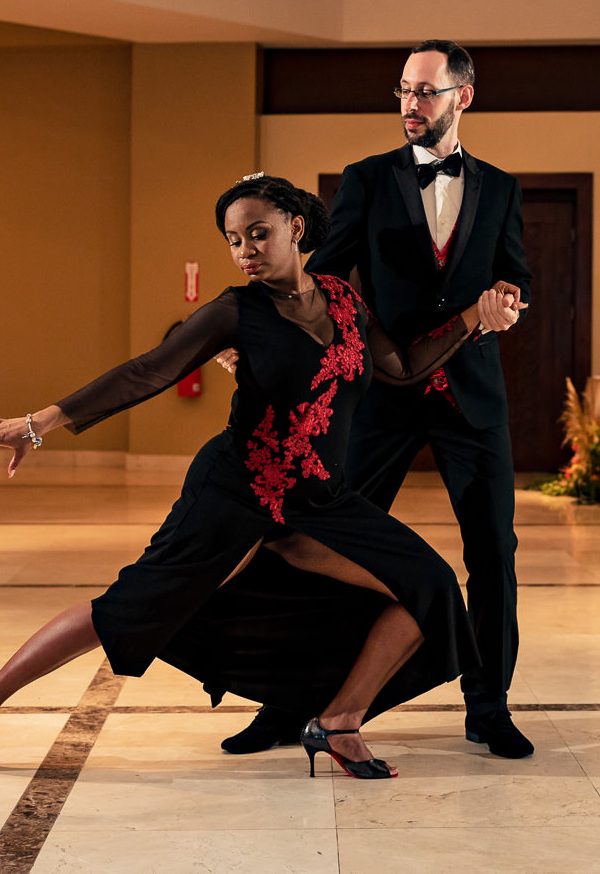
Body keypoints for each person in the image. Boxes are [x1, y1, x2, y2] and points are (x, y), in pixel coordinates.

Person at [0, 175, 521, 780]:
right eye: (234, 241)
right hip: (237, 492)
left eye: (258, 234)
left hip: (317, 500)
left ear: (296, 227)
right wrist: (40, 422)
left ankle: (339, 722)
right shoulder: (236, 312)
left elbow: (402, 367)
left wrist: (476, 313)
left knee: (431, 586)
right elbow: (146, 372)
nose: (246, 252)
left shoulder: (344, 299)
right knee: (125, 612)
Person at [222, 40, 535, 760]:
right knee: (322, 544)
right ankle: (290, 701)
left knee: (492, 552)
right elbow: (318, 277)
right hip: (379, 399)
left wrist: (507, 302)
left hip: (472, 397)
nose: (409, 105)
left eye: (425, 92)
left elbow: (514, 276)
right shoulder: (365, 180)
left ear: (463, 97)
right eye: (402, 91)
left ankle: (488, 706)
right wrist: (264, 334)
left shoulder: (504, 188)